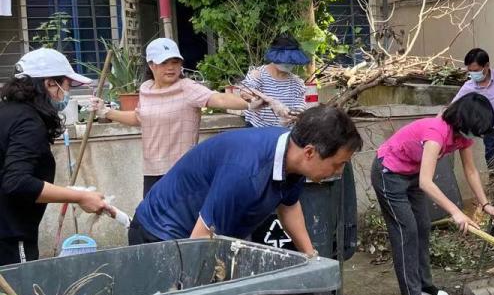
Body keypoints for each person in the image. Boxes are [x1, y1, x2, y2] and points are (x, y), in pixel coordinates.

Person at [127, 105, 362, 256]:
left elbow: (288, 206)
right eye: (337, 163)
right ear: (310, 152)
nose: (338, 171)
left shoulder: (293, 157)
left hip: (202, 235)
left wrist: (310, 256)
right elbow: (199, 242)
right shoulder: (246, 172)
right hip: (162, 234)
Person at [371, 94, 494, 295]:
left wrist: (485, 204)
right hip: (389, 173)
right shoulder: (436, 133)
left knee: (423, 225)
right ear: (466, 121)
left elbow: (470, 171)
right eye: (478, 129)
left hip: (411, 174)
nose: (479, 135)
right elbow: (427, 182)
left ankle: (424, 285)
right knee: (407, 231)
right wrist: (456, 212)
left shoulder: (462, 136)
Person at [91, 38, 258, 196]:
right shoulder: (146, 89)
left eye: (175, 62)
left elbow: (219, 98)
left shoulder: (187, 88)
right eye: (164, 63)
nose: (170, 68)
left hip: (183, 170)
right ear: (151, 65)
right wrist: (105, 112)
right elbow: (139, 118)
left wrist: (248, 103)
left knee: (182, 225)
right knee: (149, 223)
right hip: (152, 171)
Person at [0, 49, 111, 265]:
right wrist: (78, 197)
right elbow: (16, 182)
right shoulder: (28, 123)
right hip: (10, 238)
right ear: (50, 84)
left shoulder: (7, 112)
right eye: (67, 85)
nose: (67, 94)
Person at [452, 48, 494, 166]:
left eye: (476, 70)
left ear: (486, 66)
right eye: (470, 71)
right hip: (490, 134)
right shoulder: (468, 86)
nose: (473, 74)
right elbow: (453, 107)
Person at [241, 34, 310, 128]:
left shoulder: (297, 83)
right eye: (285, 59)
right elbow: (244, 93)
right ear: (274, 56)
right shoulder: (257, 74)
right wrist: (268, 101)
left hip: (284, 133)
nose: (288, 63)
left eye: (291, 60)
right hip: (257, 130)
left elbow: (300, 110)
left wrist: (292, 116)